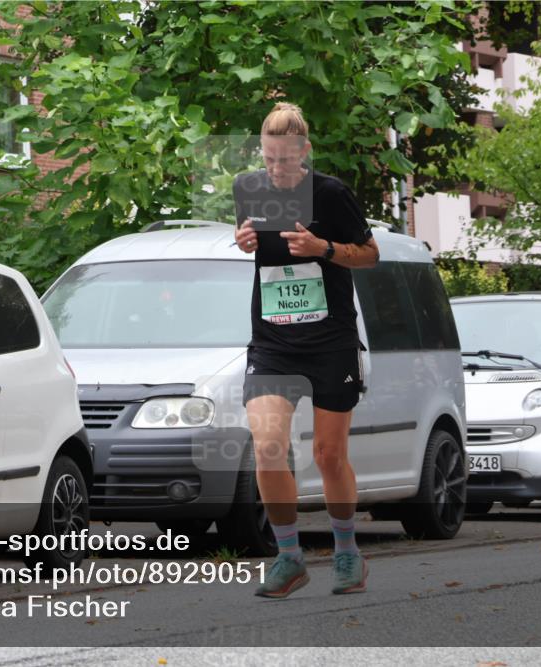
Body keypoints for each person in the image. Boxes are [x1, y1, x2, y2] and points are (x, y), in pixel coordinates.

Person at [232, 102, 379, 598]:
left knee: (328, 454)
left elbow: (370, 254)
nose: (277, 169)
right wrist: (244, 239)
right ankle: (289, 557)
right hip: (272, 342)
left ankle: (346, 555)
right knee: (268, 447)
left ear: (305, 152)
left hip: (329, 343)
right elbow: (249, 241)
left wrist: (325, 250)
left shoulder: (332, 195)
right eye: (270, 159)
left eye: (286, 160)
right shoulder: (248, 189)